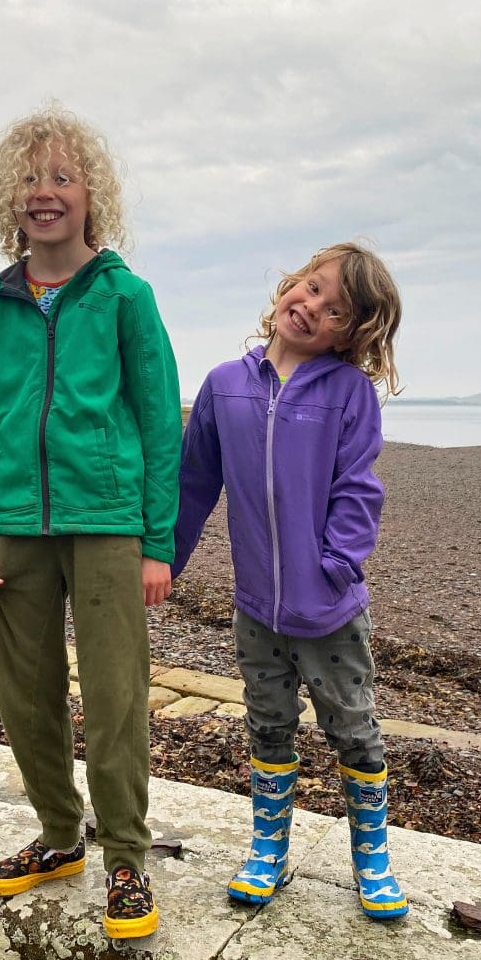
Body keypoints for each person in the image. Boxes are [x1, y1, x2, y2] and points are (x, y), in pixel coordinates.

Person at [0, 103, 181, 940]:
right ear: (11, 200)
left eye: (62, 178)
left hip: (109, 524)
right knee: (27, 694)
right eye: (30, 180)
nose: (45, 193)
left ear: (90, 197)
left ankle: (124, 857)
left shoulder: (124, 296)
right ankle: (57, 836)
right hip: (15, 526)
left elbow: (160, 425)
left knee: (116, 697)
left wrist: (159, 543)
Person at [171, 241, 408, 919]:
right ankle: (267, 850)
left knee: (353, 730)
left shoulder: (349, 394)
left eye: (334, 309)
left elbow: (358, 489)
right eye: (308, 288)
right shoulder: (225, 385)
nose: (310, 307)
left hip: (329, 609)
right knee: (268, 728)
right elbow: (195, 484)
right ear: (286, 288)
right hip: (256, 610)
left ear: (351, 334)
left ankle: (373, 860)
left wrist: (337, 565)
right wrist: (164, 559)